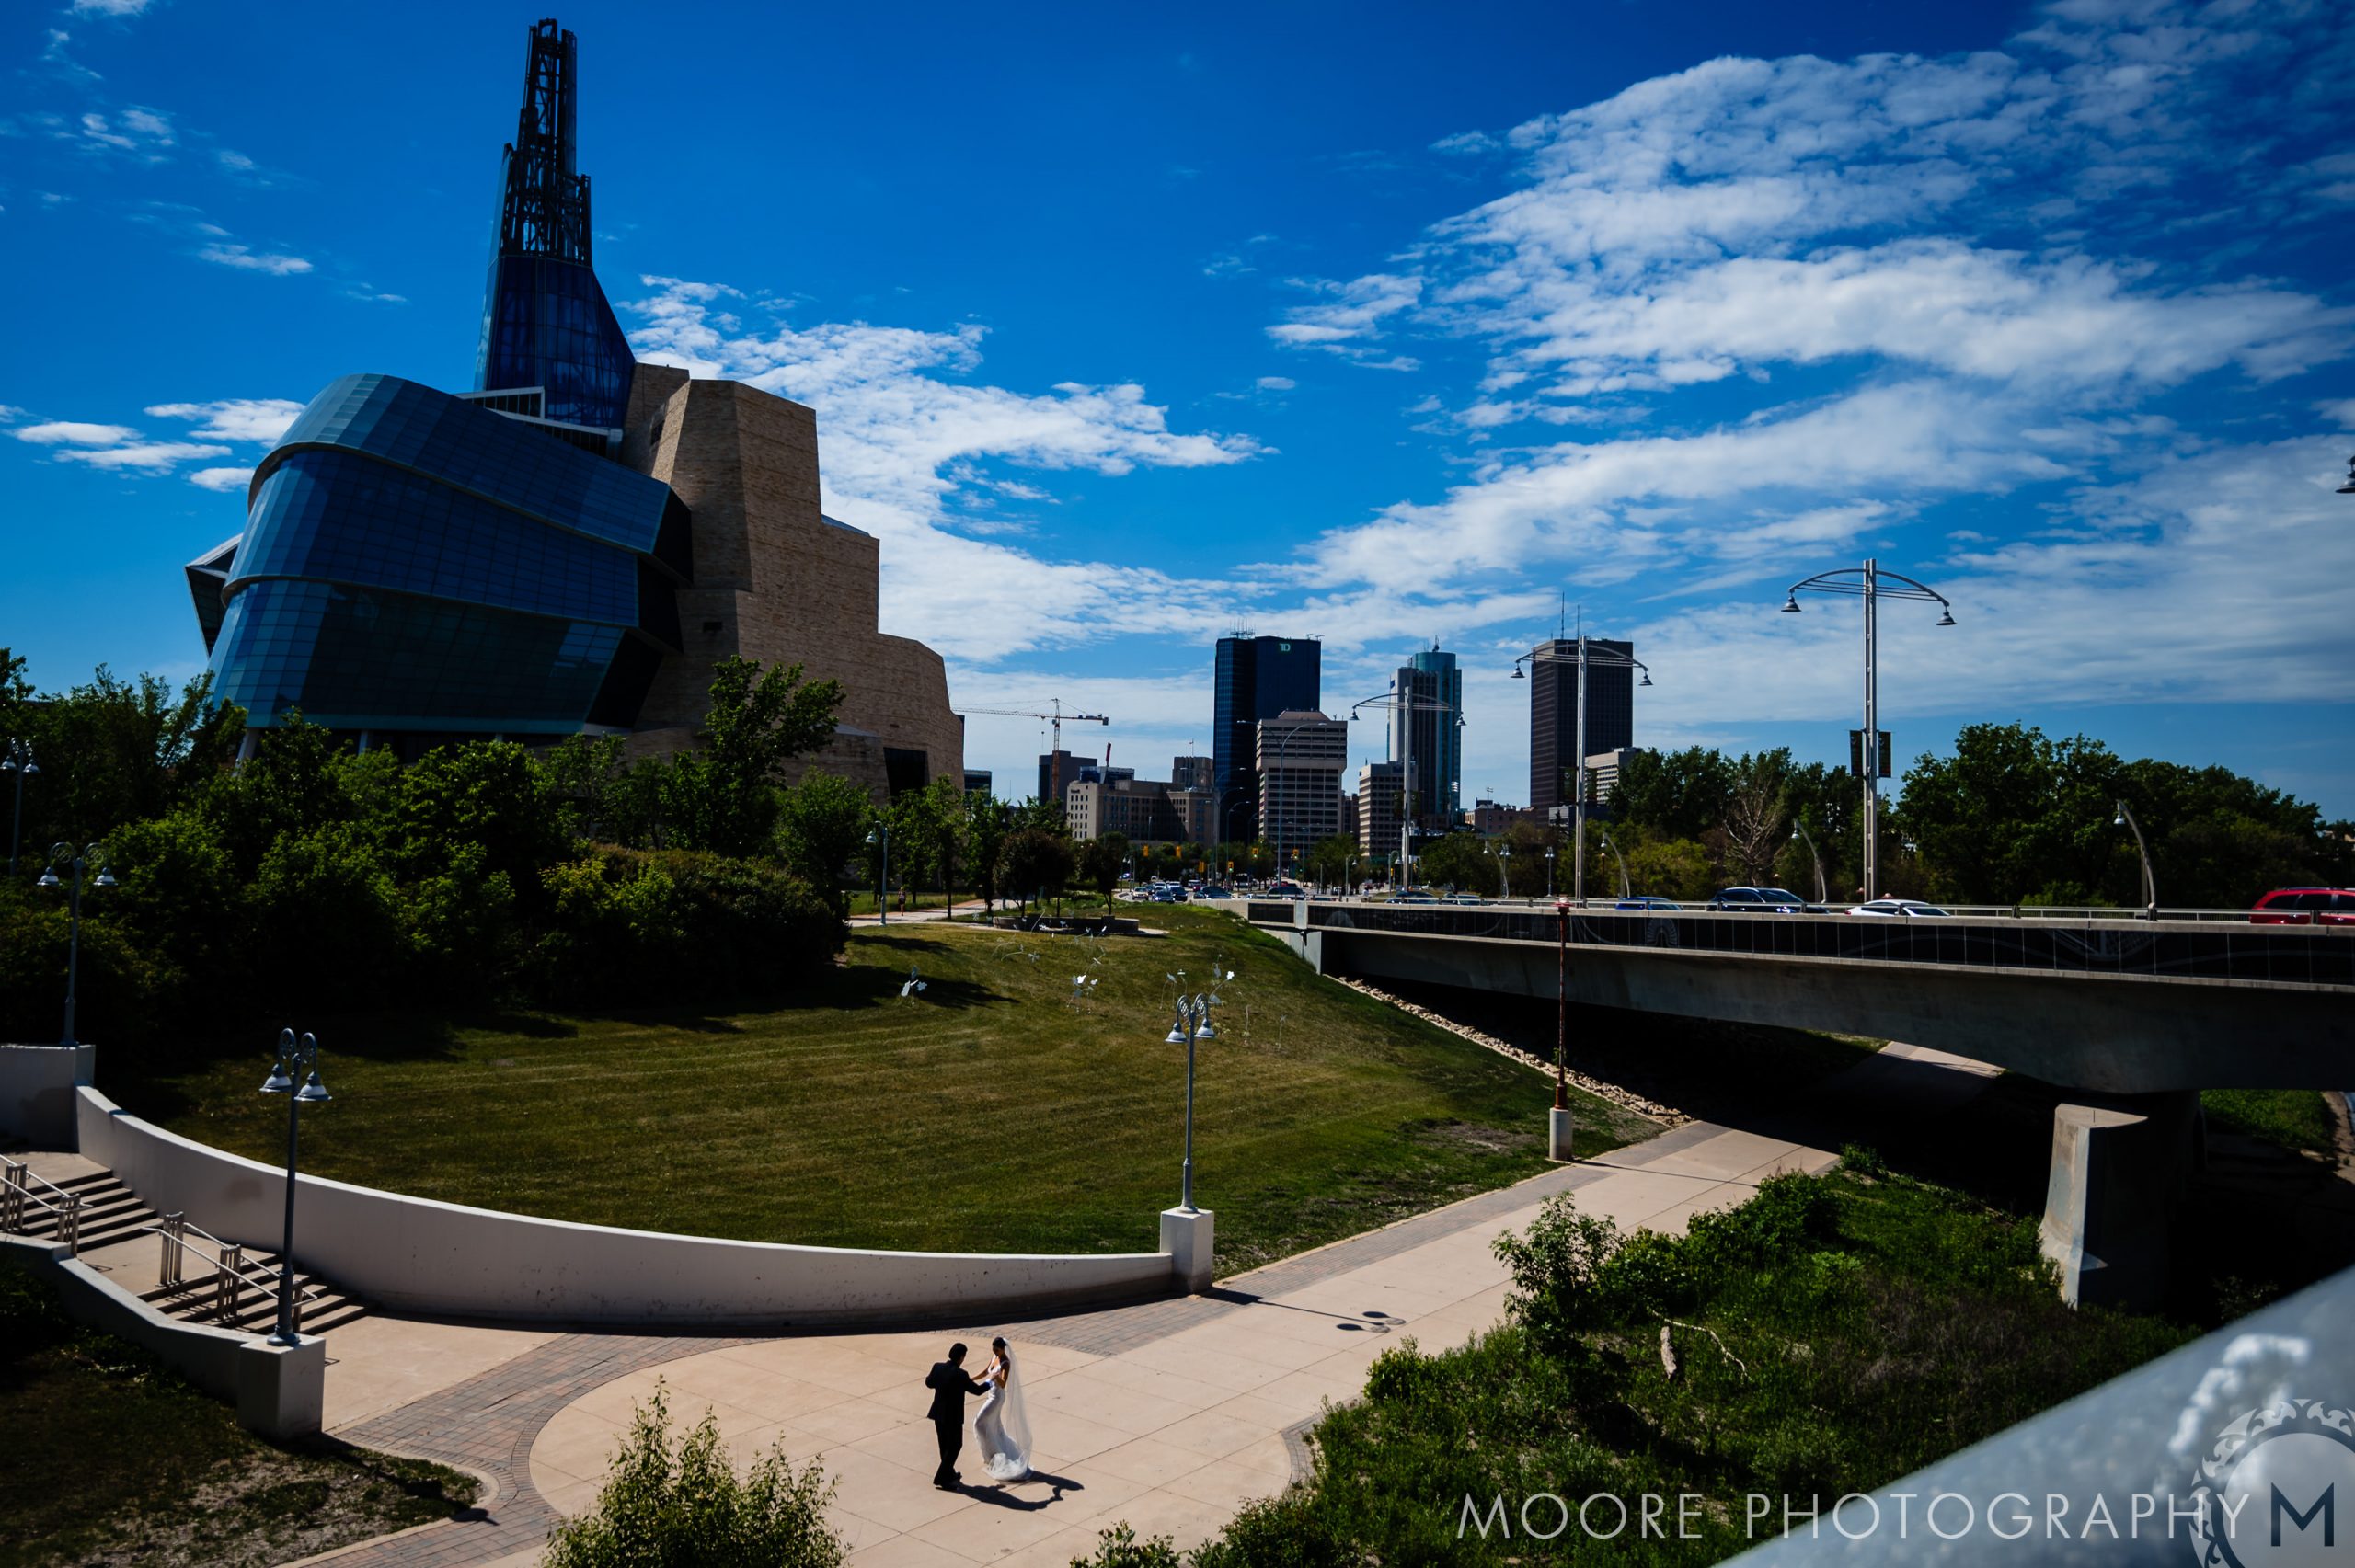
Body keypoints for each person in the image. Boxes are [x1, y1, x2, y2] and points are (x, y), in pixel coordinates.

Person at [924, 1343, 989, 1489]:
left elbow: (929, 1382)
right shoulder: (961, 1375)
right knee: (955, 1445)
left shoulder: (937, 1367)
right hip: (953, 1417)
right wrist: (991, 1382)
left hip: (938, 1413)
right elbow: (977, 1391)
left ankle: (949, 1473)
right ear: (961, 1358)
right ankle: (942, 1478)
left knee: (944, 1445)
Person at [971, 1335, 1032, 1482]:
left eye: (997, 1350)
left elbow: (1003, 1383)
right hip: (990, 1394)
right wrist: (971, 1380)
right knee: (994, 1425)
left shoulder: (1005, 1363)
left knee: (979, 1423)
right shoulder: (995, 1356)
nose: (995, 1352)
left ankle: (994, 1455)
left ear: (1002, 1349)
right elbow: (986, 1371)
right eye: (993, 1350)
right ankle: (995, 1456)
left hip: (997, 1397)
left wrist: (996, 1377)